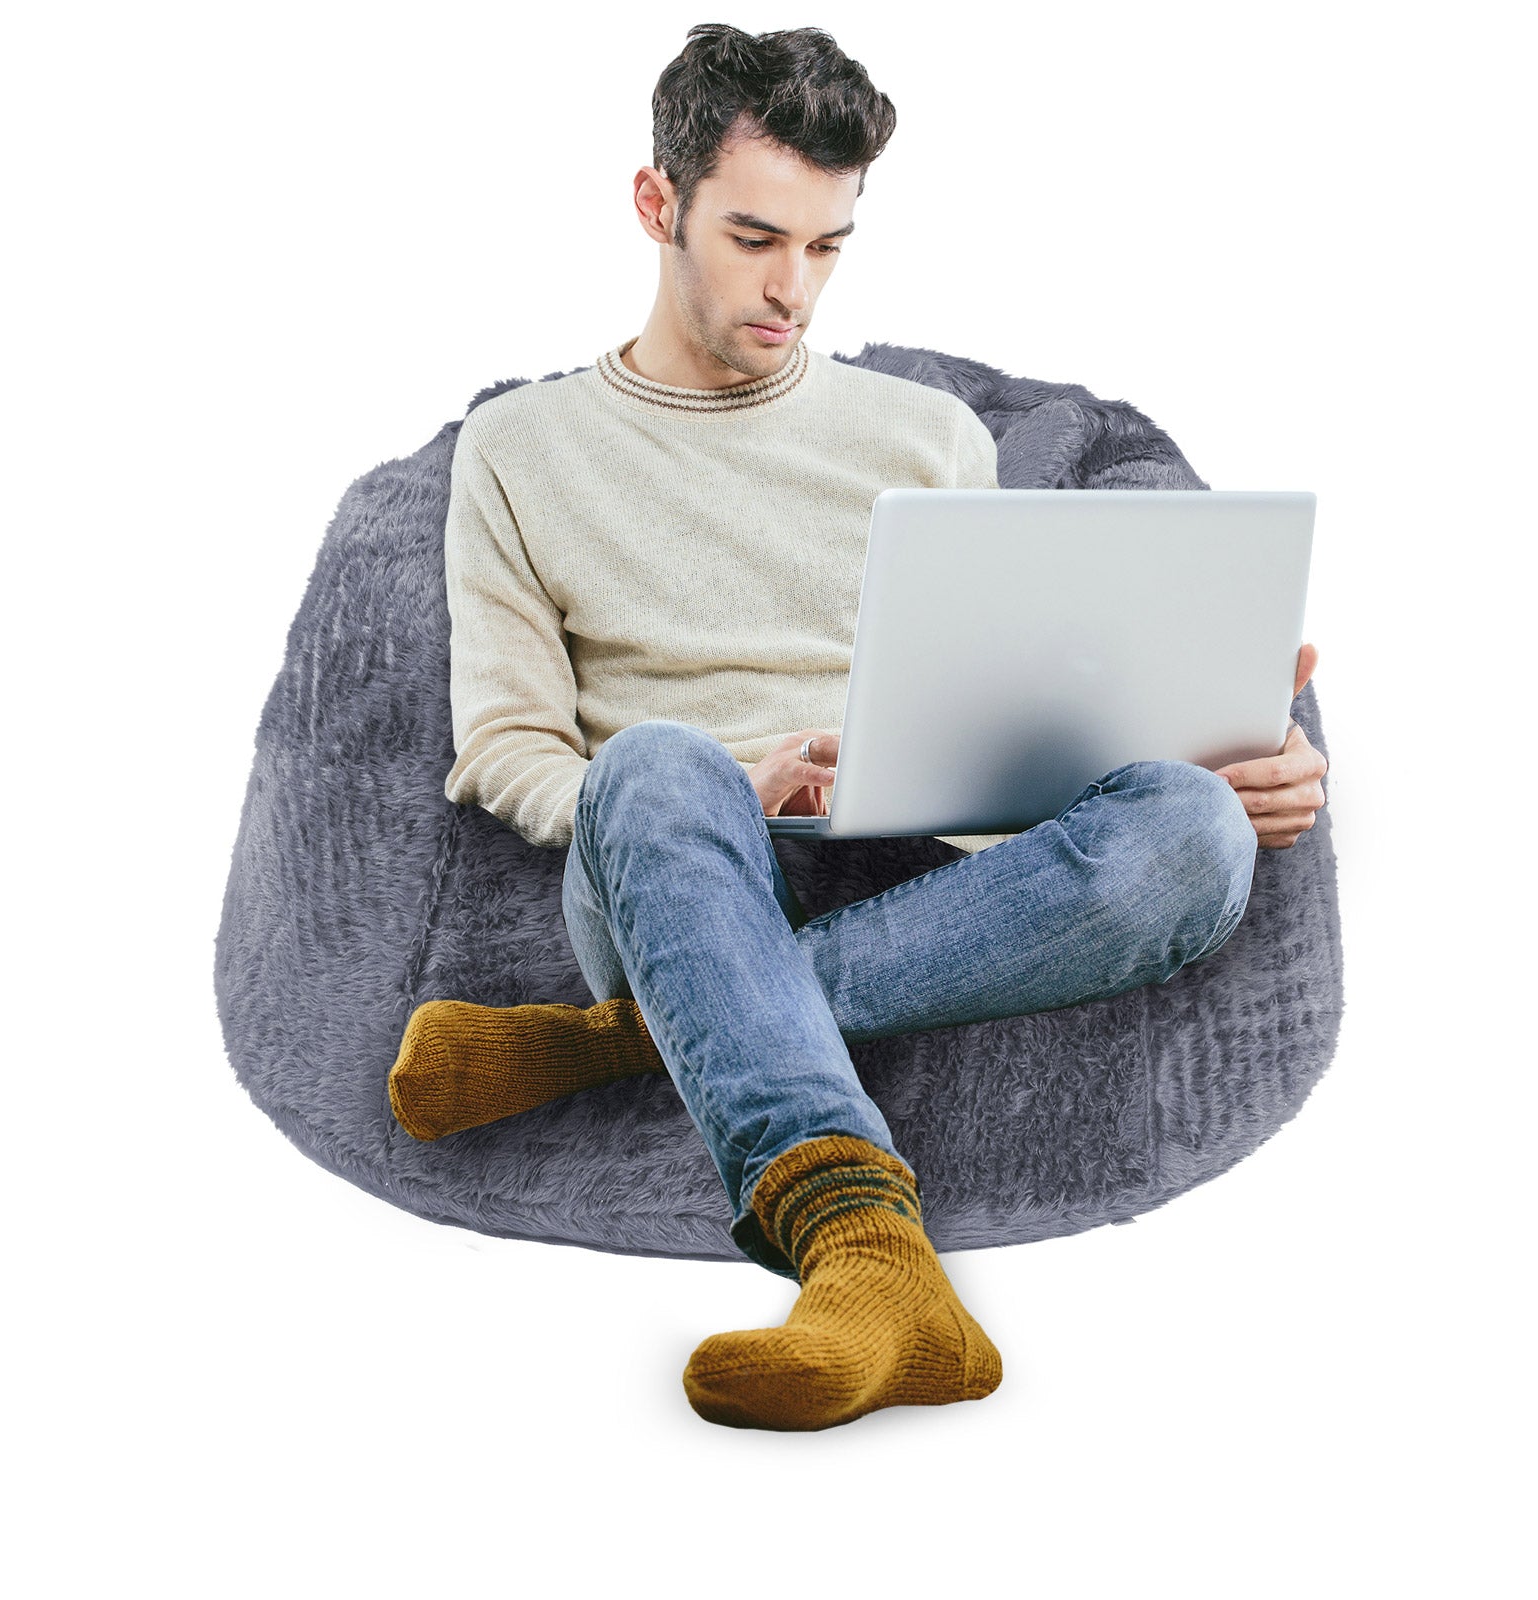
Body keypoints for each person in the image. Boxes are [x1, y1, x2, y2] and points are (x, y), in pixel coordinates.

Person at [387, 23, 1329, 1432]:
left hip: (929, 856)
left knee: (1192, 831)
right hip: (680, 863)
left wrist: (1218, 743)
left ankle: (628, 1040)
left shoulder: (926, 433)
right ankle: (863, 1249)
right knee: (656, 762)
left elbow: (1015, 702)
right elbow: (506, 745)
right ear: (656, 204)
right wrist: (731, 776)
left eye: (828, 246)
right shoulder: (519, 450)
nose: (793, 288)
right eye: (755, 238)